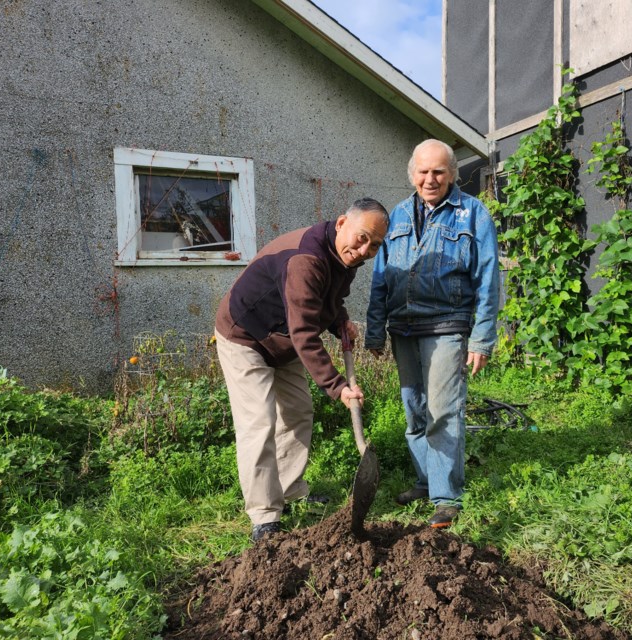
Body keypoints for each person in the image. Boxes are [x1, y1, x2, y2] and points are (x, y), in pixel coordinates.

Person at [214, 198, 390, 542]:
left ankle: (290, 489)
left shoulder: (343, 256)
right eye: (362, 238)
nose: (365, 250)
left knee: (297, 411)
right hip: (246, 336)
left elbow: (326, 299)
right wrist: (338, 386)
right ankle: (265, 516)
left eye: (375, 245)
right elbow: (304, 332)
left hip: (283, 338)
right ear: (342, 223)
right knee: (259, 421)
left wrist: (339, 319)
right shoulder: (306, 260)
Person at [365, 139, 500, 529]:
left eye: (438, 171)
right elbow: (380, 280)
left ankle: (446, 496)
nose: (430, 179)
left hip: (447, 325)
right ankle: (427, 481)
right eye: (423, 172)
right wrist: (375, 332)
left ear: (452, 174)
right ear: (412, 174)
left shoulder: (472, 214)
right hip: (403, 327)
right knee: (414, 412)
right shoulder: (398, 216)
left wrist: (481, 338)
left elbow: (488, 278)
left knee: (443, 410)